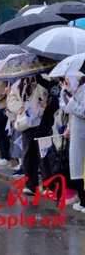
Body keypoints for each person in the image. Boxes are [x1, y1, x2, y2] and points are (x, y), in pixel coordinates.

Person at [61, 74, 85, 212]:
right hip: (77, 132)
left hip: (82, 134)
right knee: (79, 168)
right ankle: (82, 201)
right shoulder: (78, 89)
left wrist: (71, 102)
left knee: (82, 168)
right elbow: (70, 111)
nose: (68, 80)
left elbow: (82, 111)